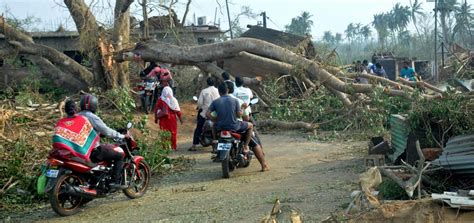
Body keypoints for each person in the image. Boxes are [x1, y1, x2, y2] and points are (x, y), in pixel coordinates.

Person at [77, 95, 128, 189]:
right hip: (91, 151)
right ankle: (115, 182)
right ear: (94, 105)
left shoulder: (76, 116)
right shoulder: (92, 117)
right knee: (120, 154)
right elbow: (107, 131)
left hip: (78, 150)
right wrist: (121, 135)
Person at [207, 83, 253, 156]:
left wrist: (215, 119)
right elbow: (239, 115)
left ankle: (215, 141)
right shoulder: (235, 100)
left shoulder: (215, 102)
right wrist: (243, 108)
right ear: (228, 90)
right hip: (234, 126)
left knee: (213, 125)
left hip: (220, 127)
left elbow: (207, 113)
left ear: (219, 91)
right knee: (250, 126)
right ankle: (246, 146)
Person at [189, 77, 219, 151]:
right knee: (217, 129)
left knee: (198, 128)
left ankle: (194, 145)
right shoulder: (217, 91)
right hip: (215, 113)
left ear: (207, 83)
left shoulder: (204, 91)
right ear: (214, 83)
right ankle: (216, 146)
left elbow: (199, 103)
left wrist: (199, 107)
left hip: (205, 113)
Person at [154, 86, 183, 150]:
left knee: (164, 133)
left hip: (163, 120)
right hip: (172, 120)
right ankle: (173, 147)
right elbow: (178, 111)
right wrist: (181, 120)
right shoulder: (173, 100)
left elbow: (156, 110)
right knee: (173, 133)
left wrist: (156, 119)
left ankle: (165, 148)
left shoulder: (160, 100)